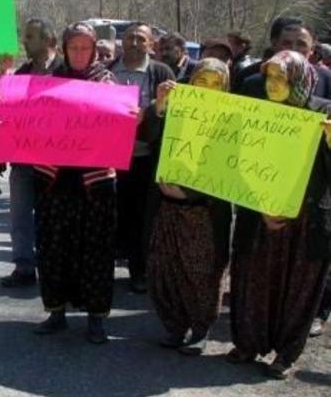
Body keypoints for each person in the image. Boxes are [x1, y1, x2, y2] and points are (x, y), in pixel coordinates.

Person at [227, 50, 331, 379]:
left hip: (305, 221)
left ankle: (286, 354)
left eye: (281, 77)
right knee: (253, 281)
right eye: (269, 76)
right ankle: (248, 343)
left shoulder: (324, 112)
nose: (272, 84)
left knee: (298, 290)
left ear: (298, 79)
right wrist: (261, 208)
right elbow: (237, 163)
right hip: (260, 215)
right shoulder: (257, 112)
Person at [32, 22, 117, 344]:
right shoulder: (50, 84)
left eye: (85, 48)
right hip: (56, 180)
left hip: (94, 185)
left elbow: (119, 127)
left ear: (94, 50)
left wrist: (131, 117)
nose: (80, 53)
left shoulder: (108, 84)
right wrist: (7, 109)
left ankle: (96, 318)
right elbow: (31, 122)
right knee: (54, 249)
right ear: (65, 50)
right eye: (74, 48)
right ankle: (56, 312)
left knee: (95, 251)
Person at [145, 58, 234, 355]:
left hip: (204, 213)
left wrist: (194, 192)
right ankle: (175, 326)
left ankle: (200, 329)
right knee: (165, 269)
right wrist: (159, 106)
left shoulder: (233, 119)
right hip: (167, 208)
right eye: (201, 81)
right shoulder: (175, 107)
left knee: (202, 274)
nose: (207, 89)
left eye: (215, 84)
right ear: (191, 81)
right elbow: (147, 135)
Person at [109, 22, 176, 293]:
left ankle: (139, 272)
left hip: (146, 157)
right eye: (130, 38)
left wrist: (148, 114)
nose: (134, 43)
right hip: (112, 158)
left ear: (151, 44)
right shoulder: (109, 71)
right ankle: (107, 272)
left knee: (142, 218)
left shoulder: (161, 72)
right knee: (114, 216)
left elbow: (173, 116)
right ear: (121, 42)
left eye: (141, 38)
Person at [1, 19, 63, 288]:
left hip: (59, 160)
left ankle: (56, 266)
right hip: (24, 159)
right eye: (25, 37)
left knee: (55, 216)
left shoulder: (68, 71)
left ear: (49, 41)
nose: (24, 42)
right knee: (20, 213)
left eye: (30, 37)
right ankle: (24, 266)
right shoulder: (21, 74)